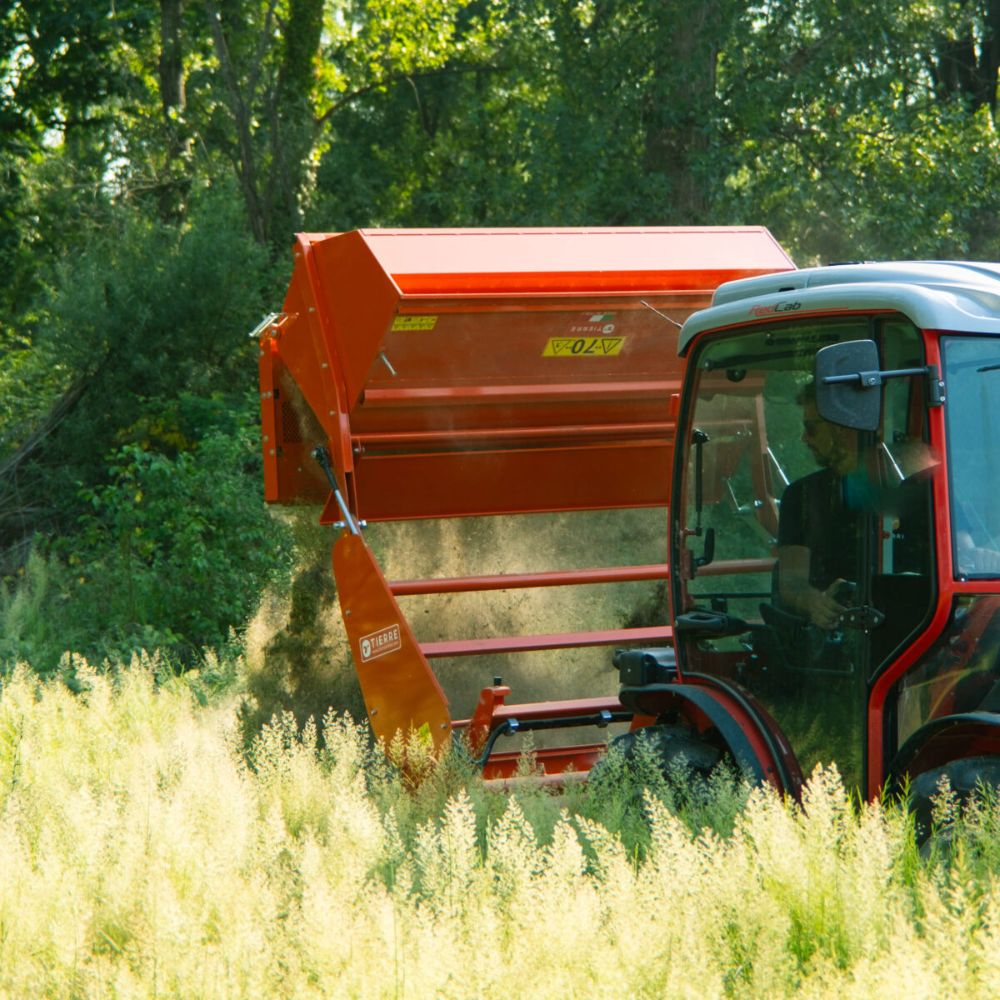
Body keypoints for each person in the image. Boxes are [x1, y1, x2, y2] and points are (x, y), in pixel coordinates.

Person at [776, 385, 864, 630]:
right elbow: (791, 583)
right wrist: (817, 603)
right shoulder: (802, 496)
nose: (804, 439)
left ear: (842, 427)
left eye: (811, 428)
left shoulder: (916, 491)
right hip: (833, 637)